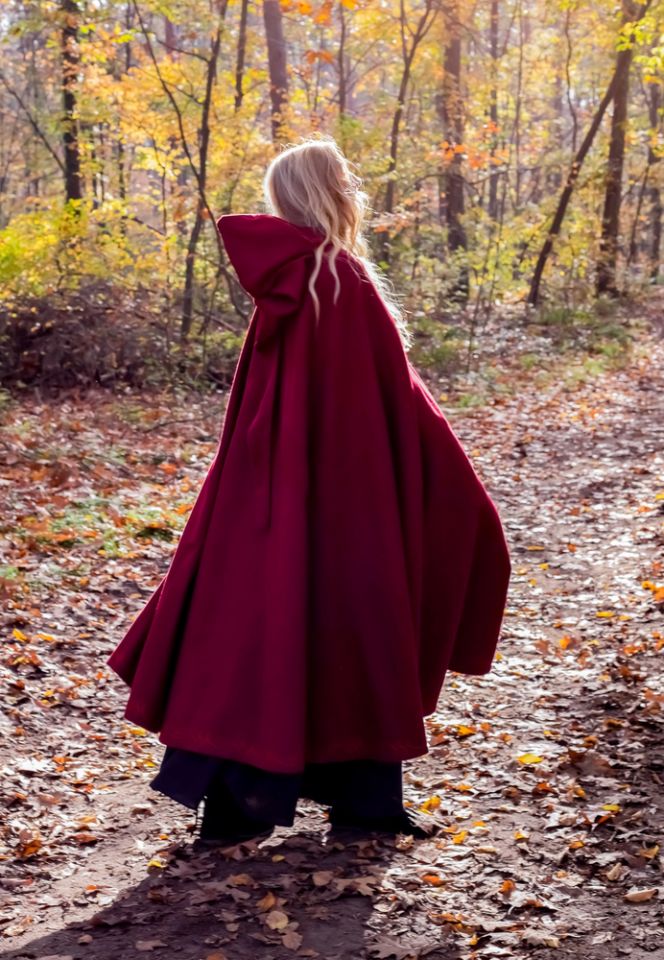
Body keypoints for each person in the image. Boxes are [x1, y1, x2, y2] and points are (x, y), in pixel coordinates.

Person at [106, 137, 511, 846]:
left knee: (256, 634)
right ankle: (364, 805)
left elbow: (281, 409)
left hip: (265, 502)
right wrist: (453, 484)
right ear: (334, 192)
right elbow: (402, 409)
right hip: (352, 509)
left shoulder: (286, 287)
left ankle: (236, 811)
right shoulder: (342, 283)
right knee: (355, 633)